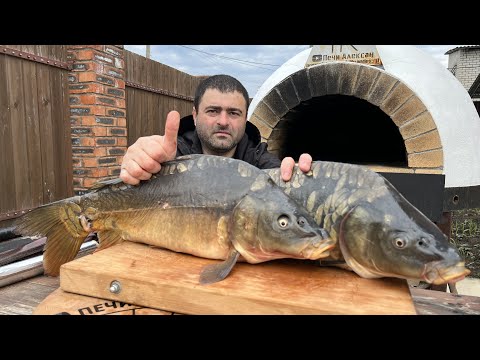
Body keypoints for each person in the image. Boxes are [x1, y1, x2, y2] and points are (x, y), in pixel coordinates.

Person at [120, 74, 312, 185]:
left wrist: (296, 180)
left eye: (234, 113)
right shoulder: (170, 157)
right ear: (195, 116)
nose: (223, 121)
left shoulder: (258, 161)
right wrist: (138, 167)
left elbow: (280, 177)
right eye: (213, 111)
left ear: (245, 120)